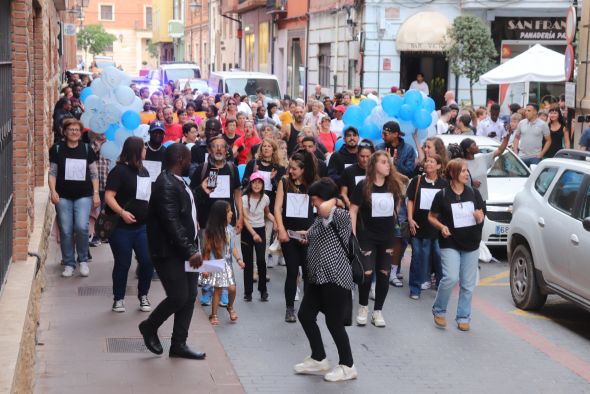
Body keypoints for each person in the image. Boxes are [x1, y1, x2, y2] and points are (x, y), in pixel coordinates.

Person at [139, 143, 206, 359]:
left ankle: (178, 344)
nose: (190, 162)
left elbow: (184, 212)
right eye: (187, 159)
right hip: (169, 252)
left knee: (190, 295)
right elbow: (171, 222)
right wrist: (190, 250)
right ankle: (149, 326)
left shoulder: (177, 181)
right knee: (179, 296)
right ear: (180, 160)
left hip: (185, 248)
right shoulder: (166, 184)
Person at [294, 178, 357, 382]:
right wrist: (303, 235)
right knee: (305, 315)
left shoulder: (340, 214)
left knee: (334, 322)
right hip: (317, 277)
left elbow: (324, 209)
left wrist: (335, 198)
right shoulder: (321, 218)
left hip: (335, 276)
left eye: (314, 199)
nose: (312, 203)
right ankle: (319, 357)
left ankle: (348, 365)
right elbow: (316, 229)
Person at [428, 158, 486, 331]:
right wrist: (442, 226)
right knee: (451, 277)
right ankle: (439, 310)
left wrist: (479, 217)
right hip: (450, 242)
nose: (466, 173)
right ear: (453, 174)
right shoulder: (442, 195)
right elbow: (431, 216)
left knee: (468, 284)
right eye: (462, 171)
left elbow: (482, 213)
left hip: (471, 243)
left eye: (467, 171)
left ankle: (463, 316)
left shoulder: (474, 193)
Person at [350, 151, 405, 327]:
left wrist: (393, 222)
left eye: (388, 162)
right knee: (367, 273)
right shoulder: (363, 185)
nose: (388, 165)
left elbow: (397, 206)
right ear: (374, 165)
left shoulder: (393, 185)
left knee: (384, 273)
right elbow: (353, 210)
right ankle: (363, 306)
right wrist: (353, 234)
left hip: (387, 237)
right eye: (383, 162)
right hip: (367, 236)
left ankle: (378, 311)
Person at [104, 137, 154, 313]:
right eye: (143, 148)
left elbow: (147, 197)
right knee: (123, 263)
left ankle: (143, 295)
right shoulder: (119, 171)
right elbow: (109, 196)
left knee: (147, 261)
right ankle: (118, 298)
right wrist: (122, 213)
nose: (146, 151)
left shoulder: (144, 171)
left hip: (142, 227)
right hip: (121, 228)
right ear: (135, 150)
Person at [49, 118, 100, 277]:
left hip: (83, 195)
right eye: (71, 129)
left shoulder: (86, 149)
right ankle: (69, 263)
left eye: (77, 130)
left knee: (81, 227)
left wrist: (96, 193)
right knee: (66, 229)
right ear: (64, 131)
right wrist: (52, 191)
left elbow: (94, 173)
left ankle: (83, 260)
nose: (74, 132)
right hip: (63, 195)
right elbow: (52, 173)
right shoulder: (57, 149)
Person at [275, 150, 317, 322]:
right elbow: (277, 208)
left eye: (294, 169)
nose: (290, 171)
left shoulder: (313, 184)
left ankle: (308, 309)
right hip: (289, 235)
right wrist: (281, 229)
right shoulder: (284, 182)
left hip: (308, 235)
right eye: (289, 167)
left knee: (308, 273)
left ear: (303, 169)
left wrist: (312, 232)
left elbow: (320, 211)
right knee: (292, 271)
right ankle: (290, 308)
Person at [406, 154, 447, 299]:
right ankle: (415, 288)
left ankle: (442, 286)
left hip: (436, 227)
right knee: (417, 256)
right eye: (427, 161)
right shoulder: (417, 181)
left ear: (439, 166)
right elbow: (410, 200)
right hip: (418, 225)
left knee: (439, 257)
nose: (428, 163)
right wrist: (410, 218)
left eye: (432, 161)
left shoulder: (444, 184)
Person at [200, 200, 245, 325]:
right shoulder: (211, 232)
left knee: (232, 289)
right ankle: (213, 314)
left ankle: (230, 307)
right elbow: (206, 252)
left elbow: (233, 247)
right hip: (217, 264)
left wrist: (239, 259)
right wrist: (205, 268)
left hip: (228, 265)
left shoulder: (230, 230)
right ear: (220, 215)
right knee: (218, 290)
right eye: (229, 211)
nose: (231, 213)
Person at [241, 172, 276, 302]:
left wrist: (276, 222)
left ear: (263, 185)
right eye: (254, 182)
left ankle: (263, 290)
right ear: (251, 184)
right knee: (248, 262)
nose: (257, 185)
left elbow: (267, 213)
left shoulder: (266, 198)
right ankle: (248, 292)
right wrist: (253, 233)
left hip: (260, 230)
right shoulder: (244, 199)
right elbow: (244, 218)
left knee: (261, 260)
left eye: (259, 183)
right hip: (247, 232)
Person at [460, 134, 510, 201]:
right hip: (467, 200)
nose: (477, 146)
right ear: (468, 149)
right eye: (474, 145)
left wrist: (506, 138)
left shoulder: (482, 158)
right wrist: (470, 183)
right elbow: (456, 182)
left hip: (482, 199)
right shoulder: (460, 164)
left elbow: (500, 150)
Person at [340, 140, 374, 208]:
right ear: (357, 155)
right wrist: (349, 205)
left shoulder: (376, 170)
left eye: (368, 156)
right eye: (362, 156)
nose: (365, 159)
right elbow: (343, 193)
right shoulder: (348, 171)